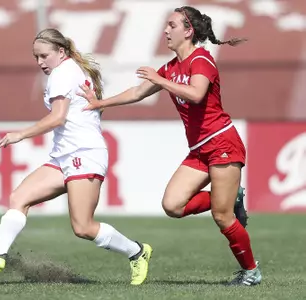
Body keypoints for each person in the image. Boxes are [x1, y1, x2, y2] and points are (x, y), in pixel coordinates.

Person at [77, 6, 261, 286]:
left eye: (172, 25)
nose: (166, 30)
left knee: (222, 217)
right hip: (201, 149)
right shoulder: (171, 68)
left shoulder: (202, 60)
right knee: (173, 205)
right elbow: (139, 92)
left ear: (188, 31)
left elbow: (197, 94)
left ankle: (251, 272)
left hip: (222, 142)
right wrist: (100, 103)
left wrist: (161, 80)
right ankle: (231, 197)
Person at [0, 28, 153, 286]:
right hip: (65, 156)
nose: (40, 63)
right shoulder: (69, 69)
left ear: (61, 52)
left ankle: (137, 252)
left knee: (83, 227)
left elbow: (58, 117)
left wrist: (21, 134)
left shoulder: (63, 73)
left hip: (84, 154)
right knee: (19, 197)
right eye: (36, 57)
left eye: (44, 56)